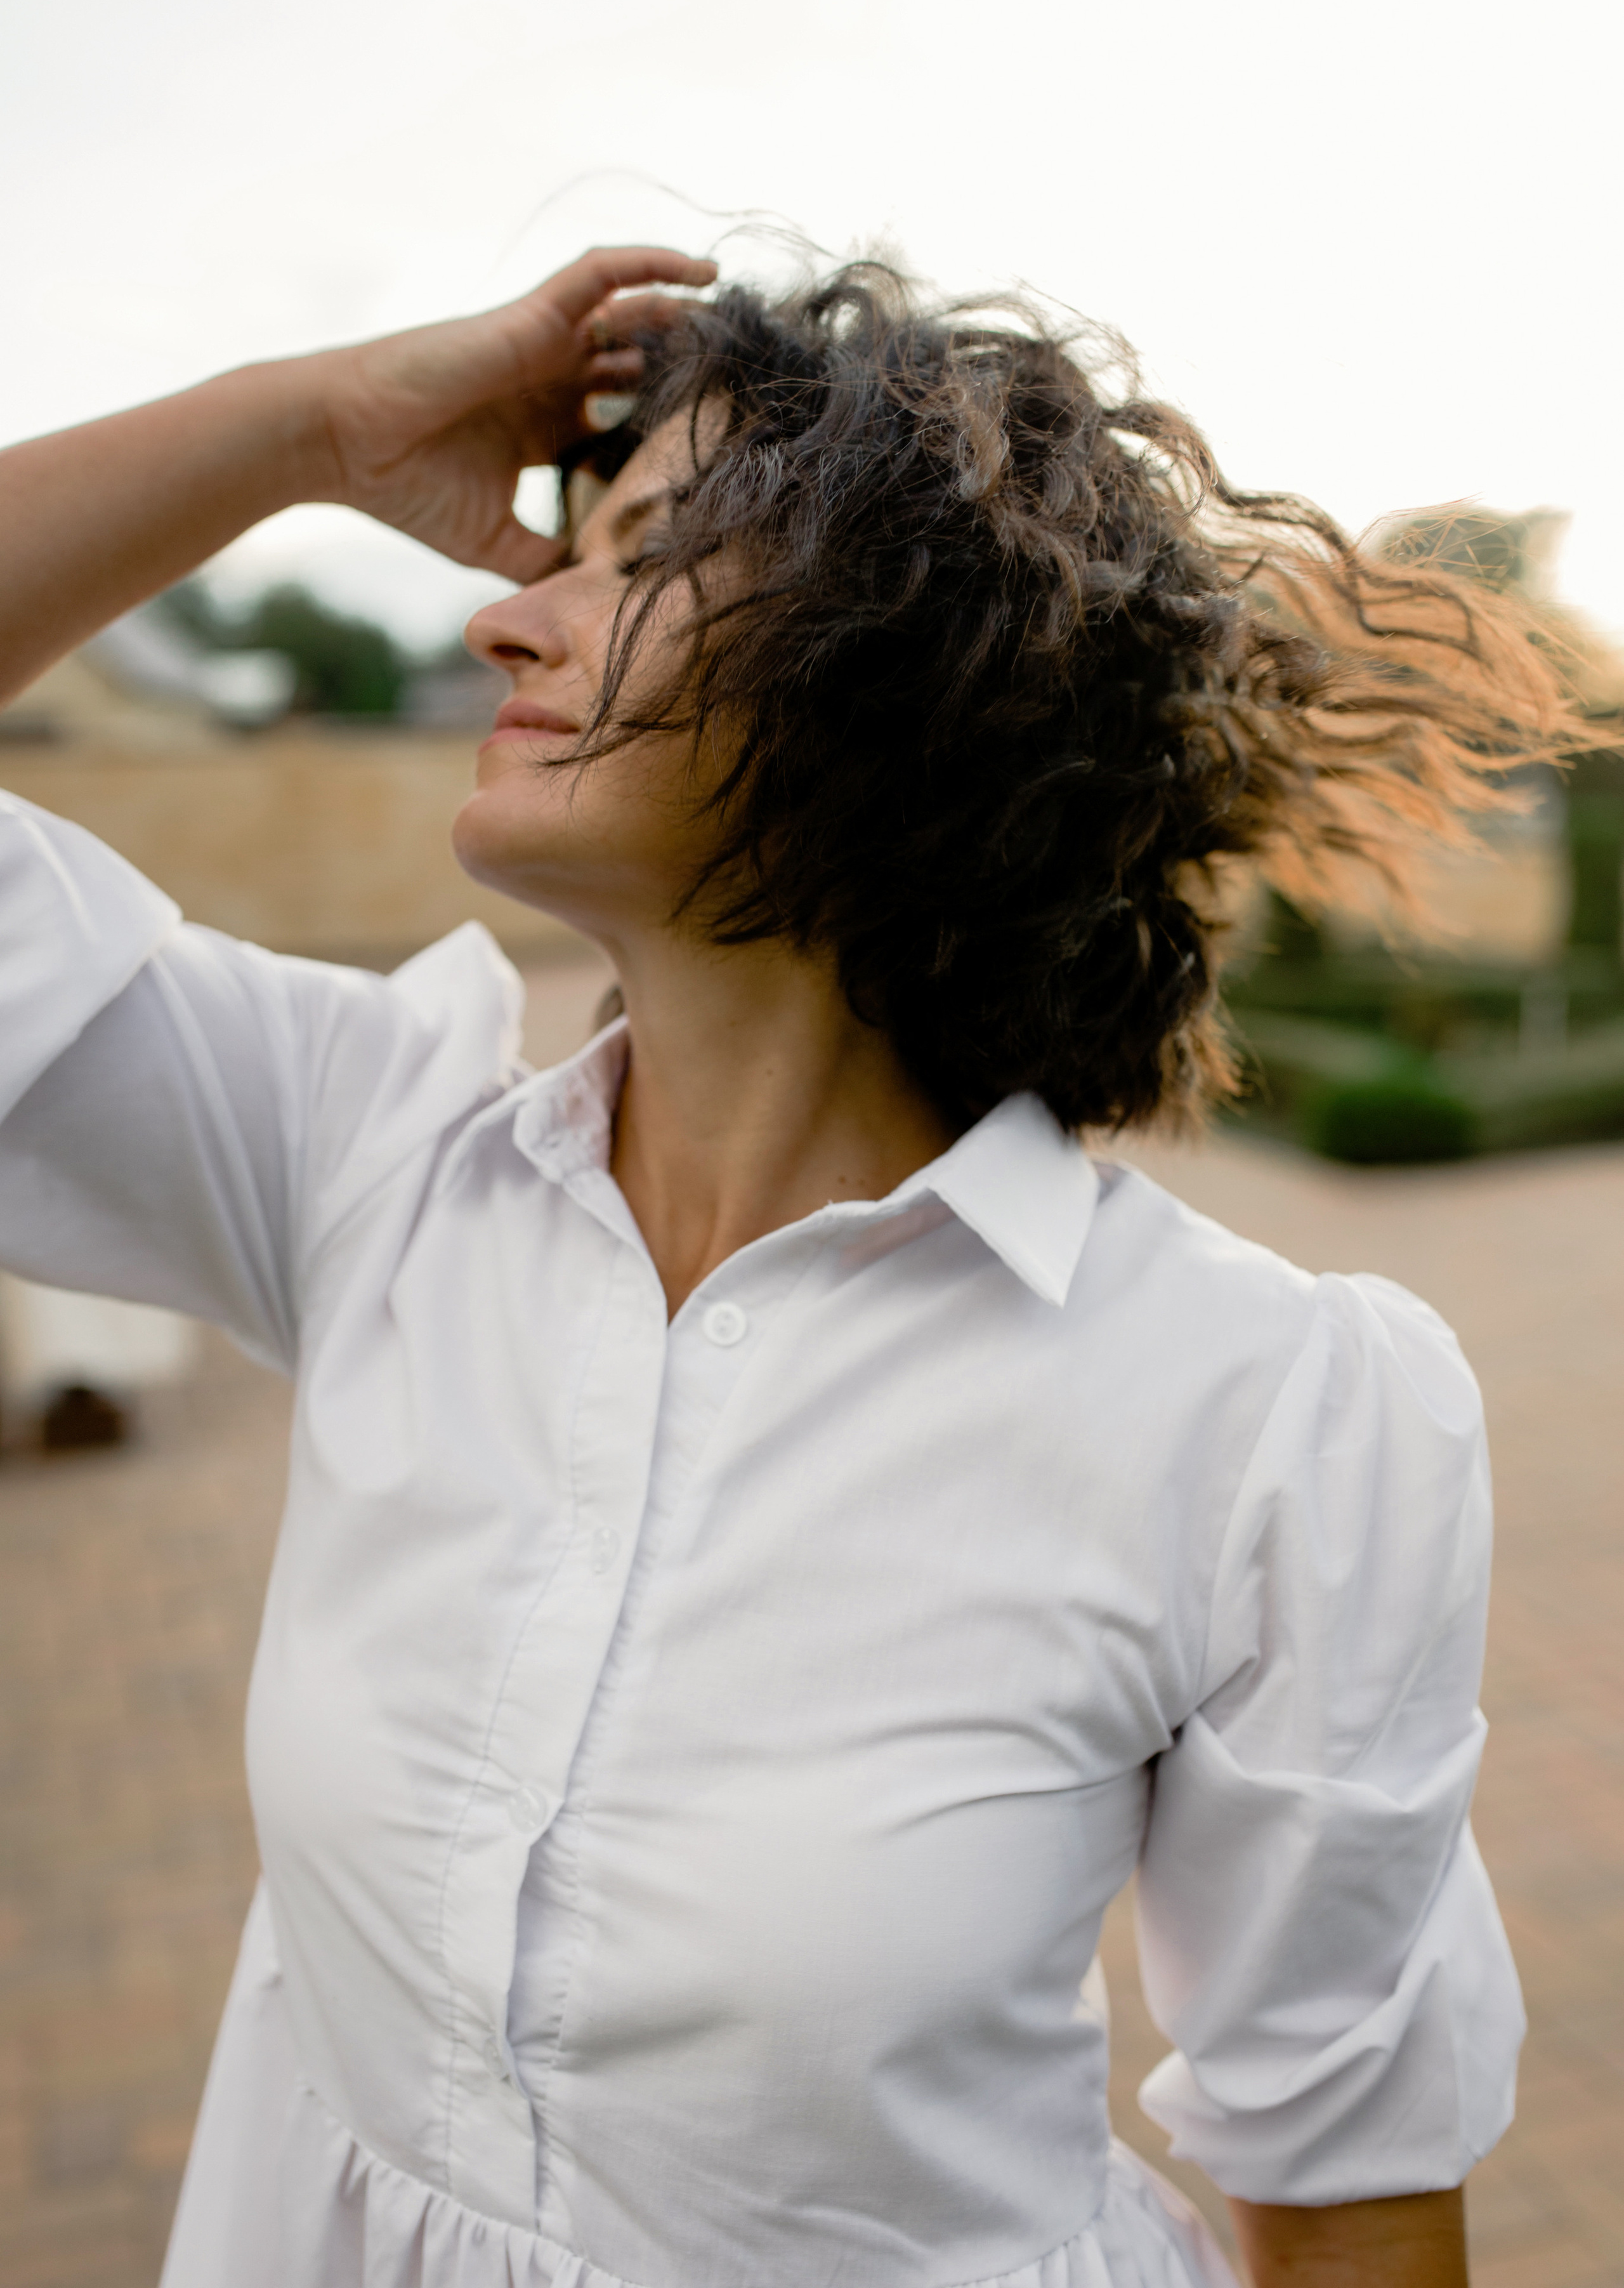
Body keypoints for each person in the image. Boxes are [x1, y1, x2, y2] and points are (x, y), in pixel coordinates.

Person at [0, 244, 1582, 2288]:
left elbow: (1353, 2186)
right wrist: (310, 427)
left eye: (639, 553)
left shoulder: (1261, 1407)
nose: (507, 616)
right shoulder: (358, 1156)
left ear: (893, 660)